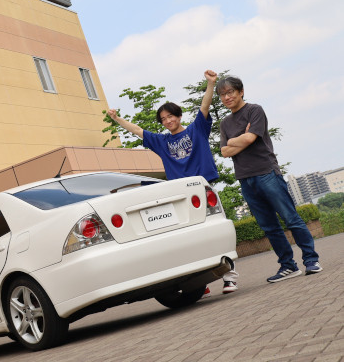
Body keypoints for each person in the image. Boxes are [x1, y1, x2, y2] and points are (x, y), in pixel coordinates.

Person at [107, 70, 238, 294]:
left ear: (179, 116)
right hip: (178, 194)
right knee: (188, 239)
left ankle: (229, 277)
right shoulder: (162, 141)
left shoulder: (197, 130)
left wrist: (210, 84)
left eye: (171, 117)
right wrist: (117, 119)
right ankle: (199, 285)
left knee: (213, 232)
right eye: (164, 119)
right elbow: (138, 131)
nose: (168, 121)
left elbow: (204, 107)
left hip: (201, 187)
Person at [217, 76, 322, 283]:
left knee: (291, 218)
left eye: (230, 92)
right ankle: (288, 266)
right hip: (245, 180)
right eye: (222, 95)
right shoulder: (225, 123)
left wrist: (235, 141)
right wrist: (238, 140)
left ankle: (311, 260)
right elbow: (225, 152)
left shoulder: (255, 110)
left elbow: (250, 138)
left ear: (241, 91)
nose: (227, 97)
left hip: (267, 173)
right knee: (269, 227)